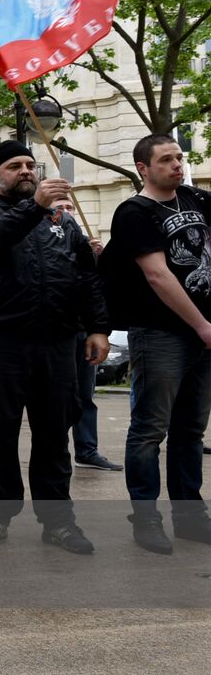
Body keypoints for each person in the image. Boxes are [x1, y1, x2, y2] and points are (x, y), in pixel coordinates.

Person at [0, 140, 109, 554]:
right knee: (0, 434)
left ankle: (59, 522)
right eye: (13, 166)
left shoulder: (64, 222)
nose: (26, 171)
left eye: (30, 164)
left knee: (53, 436)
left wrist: (98, 327)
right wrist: (36, 208)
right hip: (5, 345)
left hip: (58, 344)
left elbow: (88, 277)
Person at [106, 134, 211, 553]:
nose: (177, 165)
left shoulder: (198, 201)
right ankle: (145, 519)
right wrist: (202, 325)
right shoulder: (133, 212)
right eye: (166, 160)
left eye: (180, 158)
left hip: (203, 332)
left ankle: (189, 516)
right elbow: (158, 276)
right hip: (161, 333)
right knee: (150, 429)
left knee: (190, 430)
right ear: (143, 168)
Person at [49, 195, 123, 472]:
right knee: (56, 396)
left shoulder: (85, 247)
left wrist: (99, 260)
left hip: (85, 332)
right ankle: (56, 452)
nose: (68, 211)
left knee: (85, 394)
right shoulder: (47, 243)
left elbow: (100, 290)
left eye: (70, 206)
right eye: (61, 207)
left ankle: (87, 449)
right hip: (58, 333)